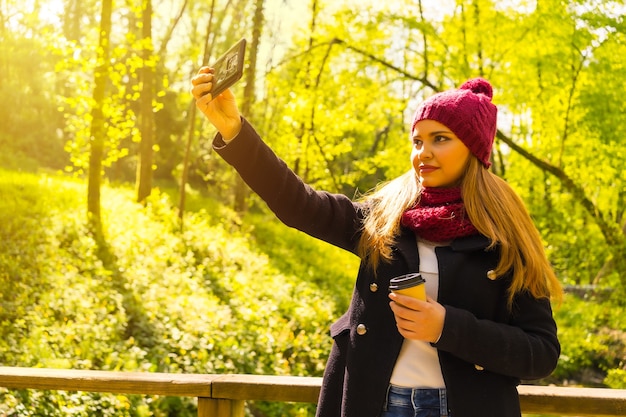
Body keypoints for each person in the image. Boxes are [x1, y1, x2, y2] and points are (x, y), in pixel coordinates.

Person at [190, 68, 562, 417]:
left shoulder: (507, 235)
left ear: (473, 149)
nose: (423, 153)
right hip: (375, 403)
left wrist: (447, 327)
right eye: (417, 140)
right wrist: (236, 132)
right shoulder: (385, 218)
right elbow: (299, 204)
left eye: (440, 139)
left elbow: (541, 352)